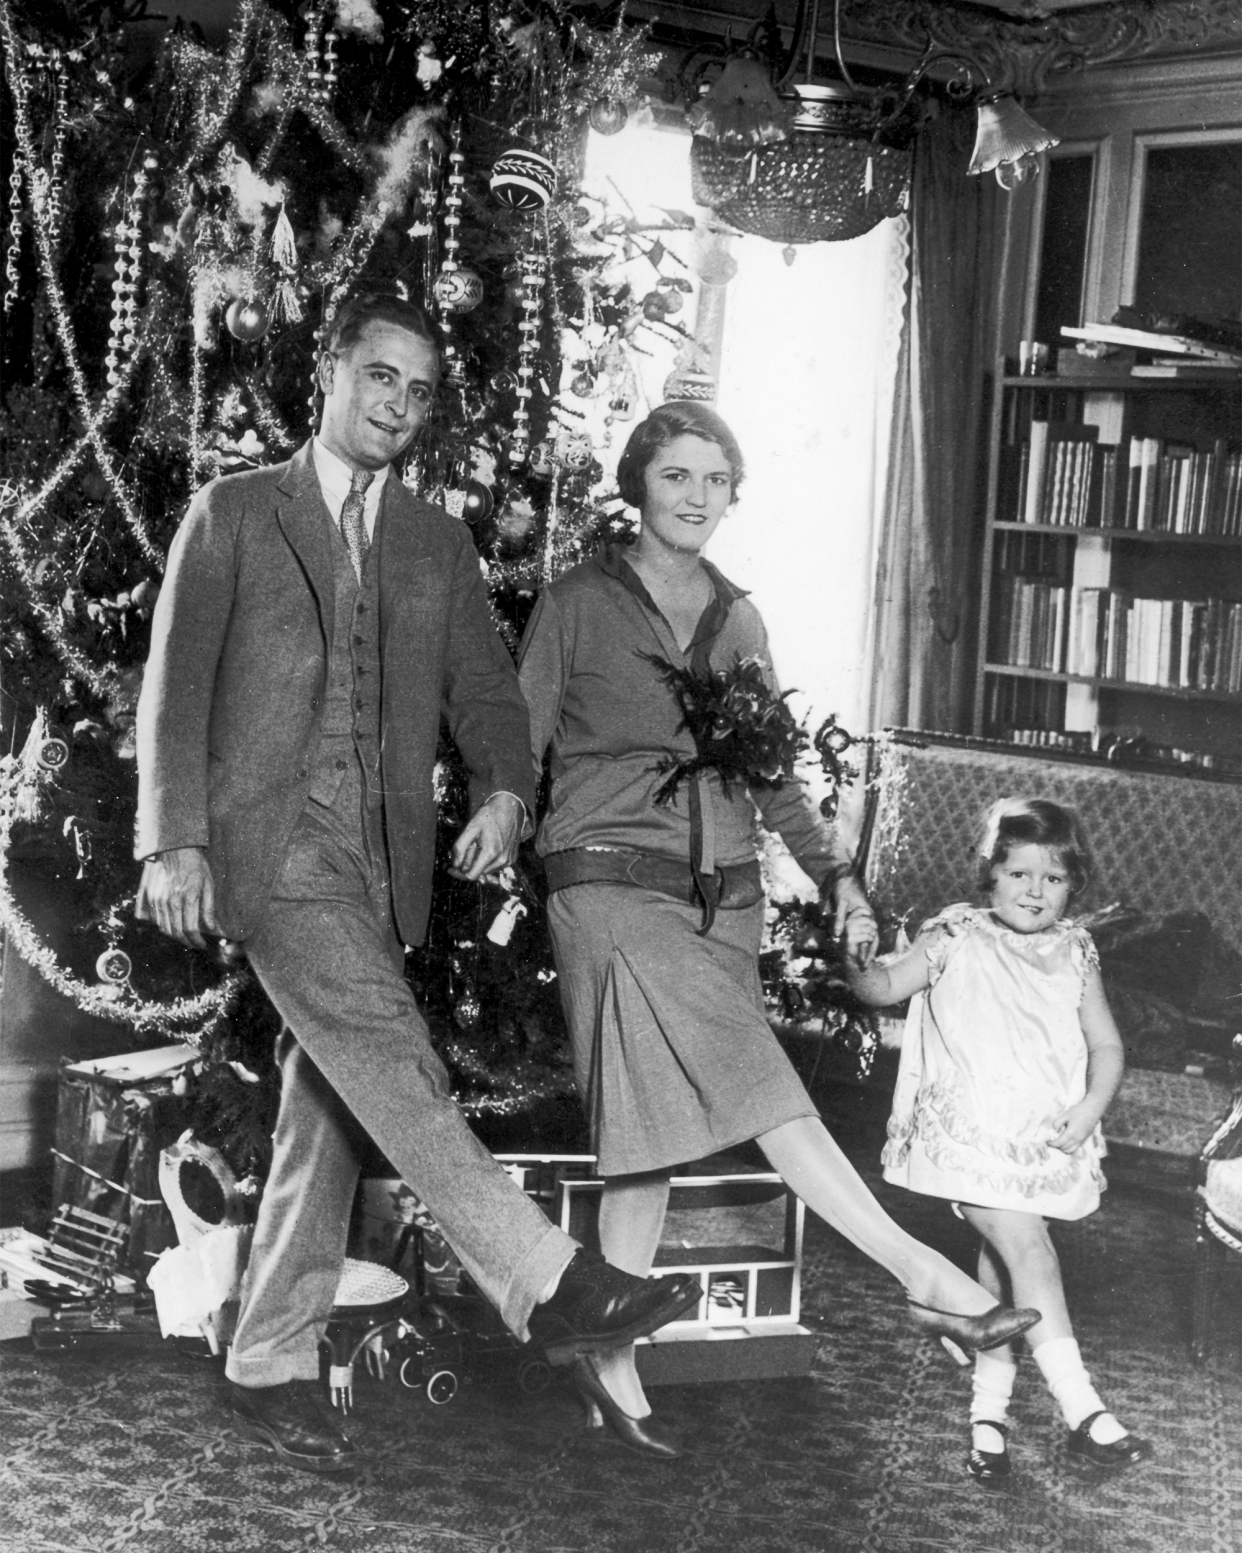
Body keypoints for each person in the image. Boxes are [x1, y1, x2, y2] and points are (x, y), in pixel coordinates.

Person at [134, 294, 699, 1476]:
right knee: (392, 1057)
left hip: (374, 860)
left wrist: (503, 789)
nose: (396, 403)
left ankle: (266, 1355)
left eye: (418, 390)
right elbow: (175, 686)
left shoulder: (436, 544)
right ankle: (542, 1279)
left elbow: (490, 694)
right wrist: (169, 839)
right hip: (265, 847)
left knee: (329, 1094)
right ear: (331, 373)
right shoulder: (235, 513)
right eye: (378, 376)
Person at [516, 401, 1039, 1459]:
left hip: (723, 896)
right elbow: (517, 744)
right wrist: (500, 836)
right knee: (761, 1083)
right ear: (639, 482)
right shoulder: (575, 604)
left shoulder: (738, 617)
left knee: (644, 1137)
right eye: (677, 475)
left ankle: (609, 1369)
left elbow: (770, 773)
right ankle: (926, 1278)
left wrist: (841, 874)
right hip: (607, 882)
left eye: (717, 479)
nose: (697, 496)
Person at [847, 797, 1150, 1482]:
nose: (1035, 891)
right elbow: (883, 986)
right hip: (969, 1139)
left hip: (1036, 1141)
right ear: (990, 874)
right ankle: (1086, 1414)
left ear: (1074, 885)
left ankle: (988, 1420)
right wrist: (856, 961)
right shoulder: (956, 934)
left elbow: (1106, 1044)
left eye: (1054, 878)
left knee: (1004, 1267)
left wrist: (1091, 1105)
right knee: (1029, 1247)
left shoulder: (1074, 949)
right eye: (1019, 874)